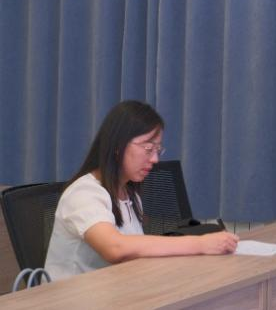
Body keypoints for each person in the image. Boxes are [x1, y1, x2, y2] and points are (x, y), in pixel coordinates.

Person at [45, 100, 239, 280]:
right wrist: (200, 244)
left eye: (157, 150)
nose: (155, 159)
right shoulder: (84, 194)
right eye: (148, 149)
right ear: (118, 146)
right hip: (75, 297)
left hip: (115, 289)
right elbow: (115, 248)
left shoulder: (130, 193)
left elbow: (134, 255)